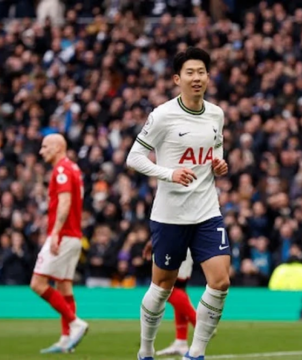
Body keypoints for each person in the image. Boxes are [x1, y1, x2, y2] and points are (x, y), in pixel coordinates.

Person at [126, 47, 230, 360]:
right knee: (162, 287)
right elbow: (134, 157)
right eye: (189, 73)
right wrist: (169, 173)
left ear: (208, 77)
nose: (196, 77)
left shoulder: (216, 114)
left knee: (221, 281)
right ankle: (145, 350)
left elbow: (217, 149)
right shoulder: (162, 115)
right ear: (177, 79)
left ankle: (195, 353)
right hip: (170, 215)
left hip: (207, 211)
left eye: (201, 72)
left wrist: (219, 164)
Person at [30, 133, 89, 353]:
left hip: (63, 235)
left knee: (37, 284)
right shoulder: (74, 168)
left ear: (57, 147)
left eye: (45, 146)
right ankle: (66, 340)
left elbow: (65, 202)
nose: (41, 151)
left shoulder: (62, 169)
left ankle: (75, 323)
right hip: (73, 236)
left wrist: (55, 232)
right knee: (63, 285)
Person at [156, 251, 197, 356]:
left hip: (177, 246)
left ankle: (200, 324)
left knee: (165, 289)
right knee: (177, 289)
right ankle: (181, 342)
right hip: (178, 246)